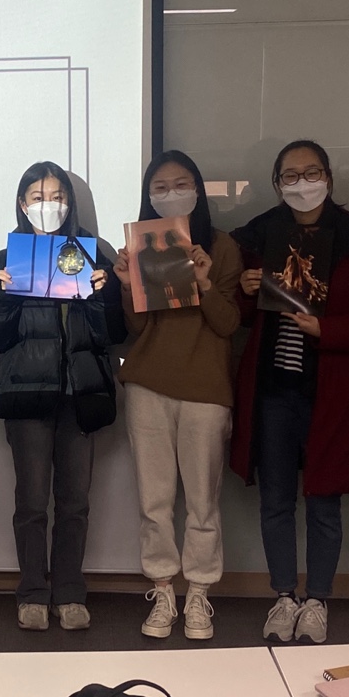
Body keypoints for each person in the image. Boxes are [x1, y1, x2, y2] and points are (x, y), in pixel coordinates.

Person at [230, 139, 349, 645]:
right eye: (290, 175)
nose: (302, 183)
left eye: (312, 172)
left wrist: (328, 330)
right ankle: (284, 596)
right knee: (276, 499)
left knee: (324, 501)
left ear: (329, 177)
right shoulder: (258, 235)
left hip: (333, 391)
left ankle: (318, 599)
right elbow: (235, 317)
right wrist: (245, 288)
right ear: (276, 183)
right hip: (272, 390)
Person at [0, 162, 126, 631]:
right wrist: (3, 297)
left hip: (81, 393)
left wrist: (105, 295)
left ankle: (70, 591)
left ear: (70, 203)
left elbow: (115, 333)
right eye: (37, 197)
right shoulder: (4, 261)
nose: (48, 205)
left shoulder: (94, 255)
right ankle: (33, 592)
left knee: (75, 502)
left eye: (56, 196)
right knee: (32, 503)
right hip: (27, 395)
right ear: (22, 204)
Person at [113, 150, 241, 640]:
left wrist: (204, 282)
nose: (171, 194)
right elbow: (136, 327)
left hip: (206, 390)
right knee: (155, 501)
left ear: (198, 190)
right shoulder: (141, 247)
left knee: (203, 502)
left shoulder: (222, 247)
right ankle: (163, 589)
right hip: (147, 385)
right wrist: (126, 285)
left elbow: (228, 324)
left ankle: (200, 593)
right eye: (160, 187)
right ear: (148, 196)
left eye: (181, 184)